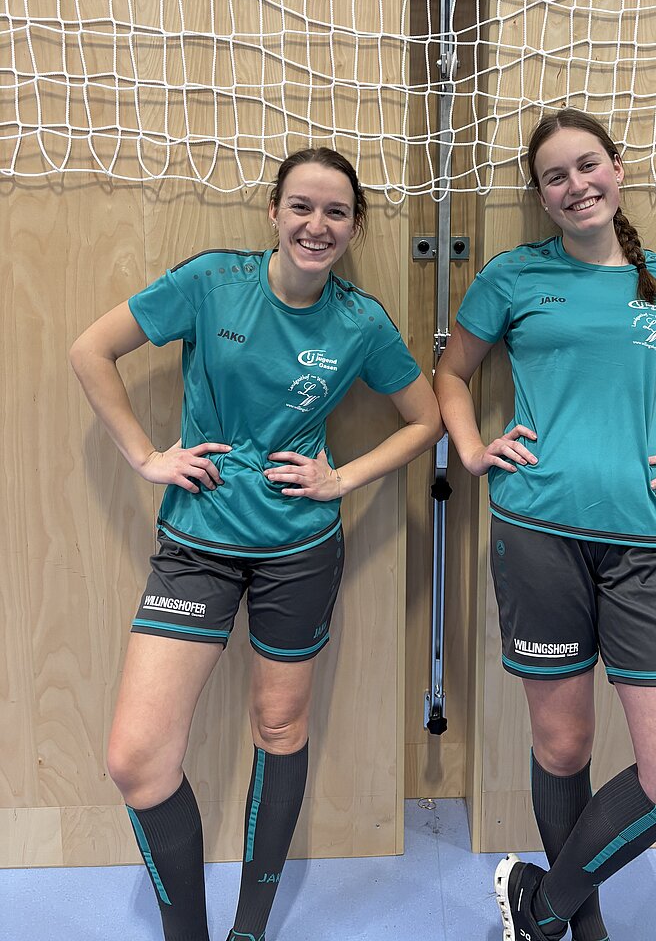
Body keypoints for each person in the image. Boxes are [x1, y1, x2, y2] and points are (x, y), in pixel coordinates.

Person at [70, 148, 442, 941]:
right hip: (196, 541)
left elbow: (426, 420)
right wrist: (146, 455)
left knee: (279, 728)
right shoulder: (213, 282)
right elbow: (90, 350)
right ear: (274, 213)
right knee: (136, 758)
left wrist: (343, 479)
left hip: (298, 548)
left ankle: (248, 928)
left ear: (355, 226)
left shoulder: (361, 322)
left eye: (336, 212)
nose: (317, 225)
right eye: (301, 206)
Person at [434, 108, 656, 941]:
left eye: (588, 165)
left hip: (644, 542)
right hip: (537, 532)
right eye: (555, 177)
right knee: (563, 747)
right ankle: (583, 925)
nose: (576, 185)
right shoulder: (513, 275)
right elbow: (452, 374)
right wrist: (473, 449)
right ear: (541, 196)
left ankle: (541, 908)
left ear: (616, 168)